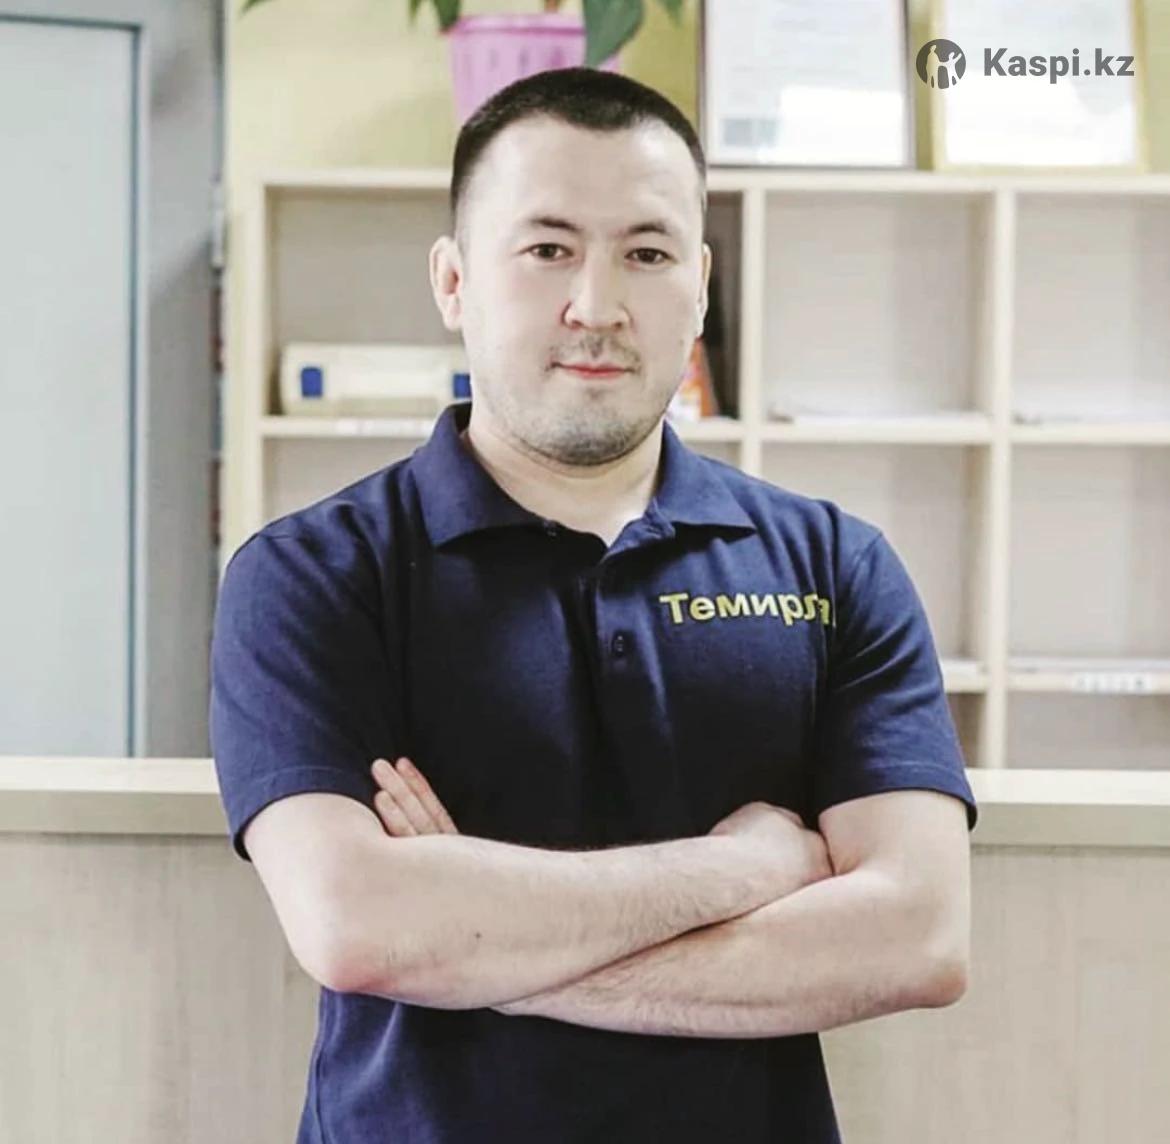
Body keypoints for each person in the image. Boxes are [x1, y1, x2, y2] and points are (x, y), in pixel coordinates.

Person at [210, 67, 978, 1144]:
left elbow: (918, 937)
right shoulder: (314, 575)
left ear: (700, 287)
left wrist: (479, 953)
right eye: (547, 249)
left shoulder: (833, 564)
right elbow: (355, 924)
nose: (597, 305)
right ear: (453, 281)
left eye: (647, 254)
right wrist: (744, 870)